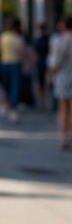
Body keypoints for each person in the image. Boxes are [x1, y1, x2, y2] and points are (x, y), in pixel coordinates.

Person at [46, 16, 72, 148]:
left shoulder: (62, 40)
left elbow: (57, 60)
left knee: (63, 108)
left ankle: (64, 137)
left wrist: (50, 72)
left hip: (64, 75)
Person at [0, 15, 24, 123]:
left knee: (6, 86)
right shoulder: (17, 37)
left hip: (4, 63)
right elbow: (20, 52)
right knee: (14, 86)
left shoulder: (2, 36)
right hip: (14, 63)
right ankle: (13, 109)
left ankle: (5, 105)